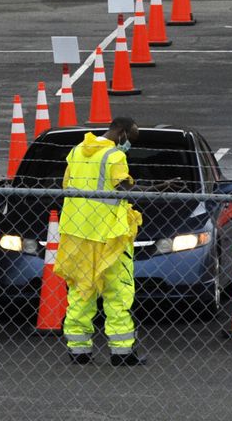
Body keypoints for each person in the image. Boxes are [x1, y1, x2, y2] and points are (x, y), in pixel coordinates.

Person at [53, 117, 145, 366]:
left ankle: (78, 350)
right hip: (109, 236)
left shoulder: (76, 151)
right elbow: (124, 188)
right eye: (131, 140)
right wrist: (155, 189)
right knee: (118, 292)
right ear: (122, 133)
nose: (129, 145)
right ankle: (122, 353)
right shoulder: (115, 156)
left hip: (77, 233)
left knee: (81, 290)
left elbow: (65, 185)